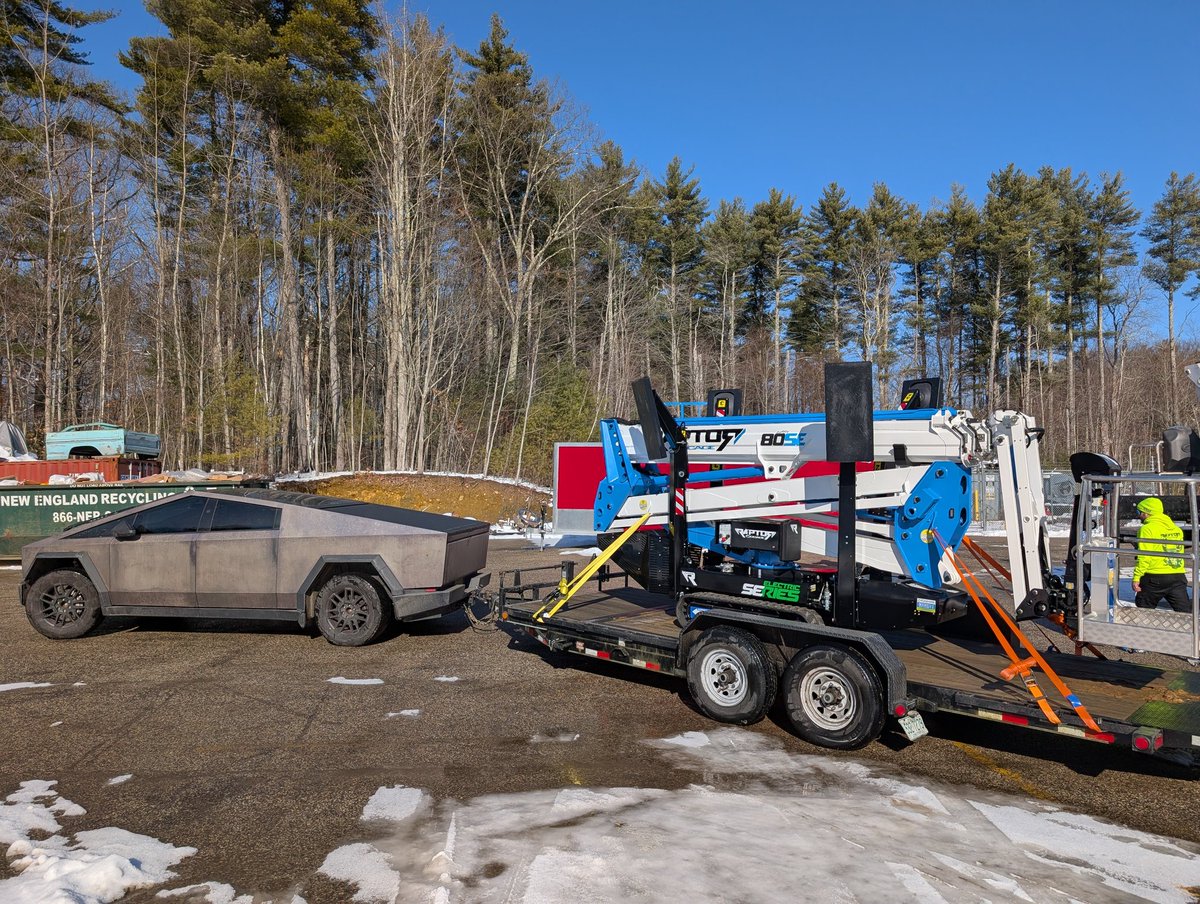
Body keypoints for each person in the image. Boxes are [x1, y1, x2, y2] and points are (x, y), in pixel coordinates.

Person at [1132, 497, 1192, 612]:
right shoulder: (1176, 529)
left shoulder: (1147, 529)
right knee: (1185, 614)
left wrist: (1136, 577)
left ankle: (1144, 630)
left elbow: (1145, 556)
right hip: (1177, 576)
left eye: (1139, 512)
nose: (1138, 515)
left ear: (1146, 513)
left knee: (1143, 611)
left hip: (1154, 577)